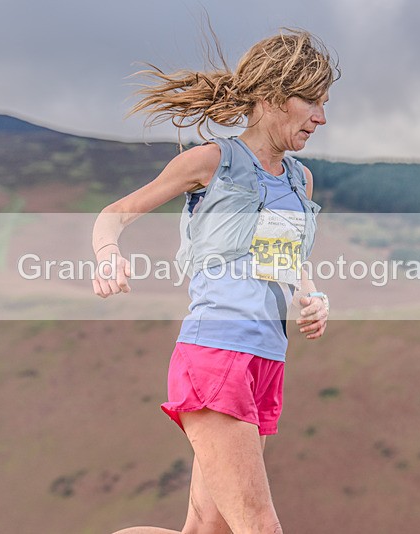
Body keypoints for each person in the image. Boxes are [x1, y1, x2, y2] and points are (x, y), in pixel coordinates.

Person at [92, 29, 338, 534]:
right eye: (310, 100)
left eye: (325, 102)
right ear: (272, 97)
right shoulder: (212, 163)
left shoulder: (298, 180)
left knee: (208, 531)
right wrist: (107, 254)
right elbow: (113, 215)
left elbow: (282, 262)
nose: (321, 117)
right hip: (216, 354)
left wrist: (312, 297)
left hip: (267, 359)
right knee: (259, 528)